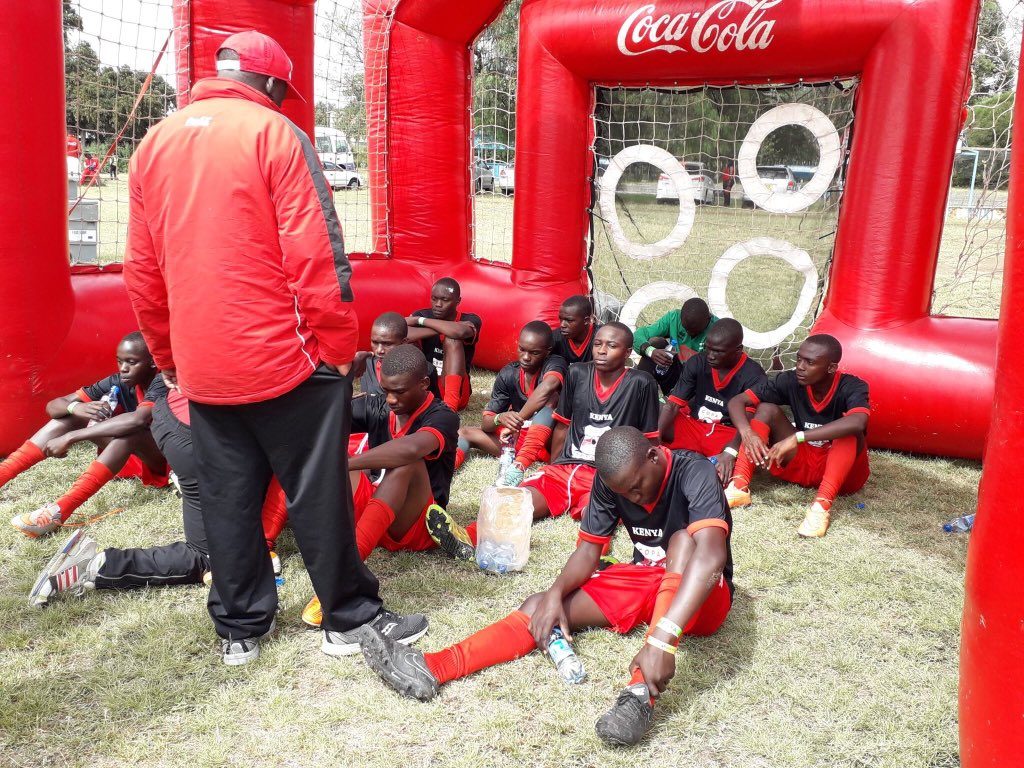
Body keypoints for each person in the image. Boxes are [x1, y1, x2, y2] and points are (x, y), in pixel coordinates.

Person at [124, 30, 419, 665]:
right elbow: (318, 255)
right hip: (284, 359)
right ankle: (347, 616)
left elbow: (142, 272)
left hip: (202, 366)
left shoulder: (154, 143)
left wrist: (170, 360)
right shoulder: (277, 135)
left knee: (229, 497)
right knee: (317, 490)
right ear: (273, 86)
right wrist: (339, 347)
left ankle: (240, 627)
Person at [359, 426, 733, 748]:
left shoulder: (694, 471)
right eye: (626, 495)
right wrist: (555, 595)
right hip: (644, 580)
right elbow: (589, 552)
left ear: (654, 456)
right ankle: (434, 667)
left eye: (637, 488)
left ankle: (638, 697)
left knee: (683, 541)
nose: (635, 499)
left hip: (702, 593)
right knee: (540, 605)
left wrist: (662, 641)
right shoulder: (611, 482)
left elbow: (711, 556)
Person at [27, 383, 286, 616]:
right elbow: (290, 473)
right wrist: (265, 542)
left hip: (176, 420)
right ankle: (93, 565)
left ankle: (94, 563)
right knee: (213, 554)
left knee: (207, 547)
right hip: (217, 433)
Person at [429, 323, 659, 563]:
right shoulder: (577, 373)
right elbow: (562, 424)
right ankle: (466, 537)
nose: (601, 350)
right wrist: (555, 464)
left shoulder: (641, 383)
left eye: (611, 346)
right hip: (566, 468)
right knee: (520, 498)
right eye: (598, 344)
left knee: (597, 512)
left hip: (606, 474)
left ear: (627, 351)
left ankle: (594, 560)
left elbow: (648, 439)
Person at [300, 345, 457, 629]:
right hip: (376, 513)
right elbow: (325, 417)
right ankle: (268, 541)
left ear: (423, 383)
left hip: (415, 526)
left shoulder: (443, 415)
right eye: (386, 390)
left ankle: (341, 578)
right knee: (325, 447)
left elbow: (410, 449)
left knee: (407, 463)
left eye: (399, 391)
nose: (391, 399)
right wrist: (345, 378)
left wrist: (345, 465)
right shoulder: (379, 404)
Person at [7, 333, 170, 538]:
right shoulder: (118, 380)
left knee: (131, 432)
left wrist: (72, 436)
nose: (123, 368)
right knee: (68, 417)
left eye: (132, 362)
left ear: (153, 362)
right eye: (120, 361)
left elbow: (137, 420)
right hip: (129, 455)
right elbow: (53, 406)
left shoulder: (163, 380)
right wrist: (75, 408)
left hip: (167, 461)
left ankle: (58, 512)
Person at [723, 334, 871, 538]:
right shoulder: (790, 380)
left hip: (842, 474)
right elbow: (737, 401)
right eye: (799, 359)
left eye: (809, 362)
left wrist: (798, 437)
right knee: (766, 408)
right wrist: (747, 432)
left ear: (831, 368)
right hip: (803, 462)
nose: (800, 366)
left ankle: (820, 508)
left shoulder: (852, 386)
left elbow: (858, 422)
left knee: (850, 431)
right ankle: (738, 487)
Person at [657, 319, 767, 484]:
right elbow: (673, 405)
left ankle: (721, 461)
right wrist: (654, 441)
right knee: (656, 410)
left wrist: (731, 452)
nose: (711, 355)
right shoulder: (698, 362)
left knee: (747, 443)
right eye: (708, 348)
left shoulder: (754, 374)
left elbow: (748, 422)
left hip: (727, 432)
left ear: (738, 350)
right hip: (694, 425)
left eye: (719, 351)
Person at [454, 321, 566, 480]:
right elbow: (486, 423)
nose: (526, 357)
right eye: (522, 349)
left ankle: (519, 466)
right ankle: (446, 468)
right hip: (516, 439)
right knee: (463, 432)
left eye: (534, 353)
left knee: (551, 401)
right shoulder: (508, 373)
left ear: (547, 352)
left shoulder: (555, 362)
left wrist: (518, 419)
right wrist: (500, 418)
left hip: (548, 441)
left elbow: (548, 387)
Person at [406, 278, 482, 412]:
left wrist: (420, 321)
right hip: (426, 384)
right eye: (434, 299)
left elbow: (458, 332)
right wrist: (443, 327)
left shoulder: (470, 319)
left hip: (455, 388)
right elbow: (403, 334)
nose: (438, 304)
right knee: (408, 343)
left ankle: (449, 409)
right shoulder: (423, 314)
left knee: (452, 339)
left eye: (445, 300)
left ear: (458, 301)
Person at [633, 298, 718, 396]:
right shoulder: (674, 317)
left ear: (708, 318)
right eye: (686, 329)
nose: (689, 333)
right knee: (656, 343)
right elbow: (638, 335)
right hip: (674, 369)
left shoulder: (718, 329)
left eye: (695, 330)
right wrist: (650, 351)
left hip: (698, 379)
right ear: (681, 316)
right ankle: (639, 389)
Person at [356, 312, 440, 398]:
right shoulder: (365, 365)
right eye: (375, 342)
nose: (379, 350)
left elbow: (434, 406)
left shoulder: (424, 370)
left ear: (404, 342)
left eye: (387, 344)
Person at [550, 295, 600, 365]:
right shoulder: (554, 338)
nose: (562, 325)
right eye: (561, 319)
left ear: (586, 320)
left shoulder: (602, 337)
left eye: (569, 320)